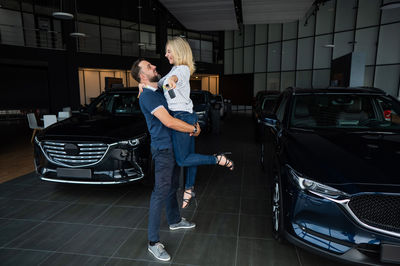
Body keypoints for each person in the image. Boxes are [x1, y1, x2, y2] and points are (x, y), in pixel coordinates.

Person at [142, 37, 234, 209]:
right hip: (187, 115)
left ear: (178, 51)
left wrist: (170, 85)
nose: (166, 54)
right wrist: (144, 85)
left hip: (181, 116)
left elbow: (172, 81)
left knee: (183, 160)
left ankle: (217, 159)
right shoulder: (174, 69)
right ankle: (189, 189)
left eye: (169, 51)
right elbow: (162, 83)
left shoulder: (181, 70)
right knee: (191, 157)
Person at [131, 59, 199, 262]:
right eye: (149, 67)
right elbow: (168, 121)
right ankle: (153, 243)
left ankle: (175, 220)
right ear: (142, 75)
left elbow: (170, 90)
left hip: (174, 146)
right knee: (160, 192)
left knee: (172, 188)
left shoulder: (157, 91)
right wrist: (193, 129)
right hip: (163, 150)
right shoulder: (148, 98)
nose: (154, 67)